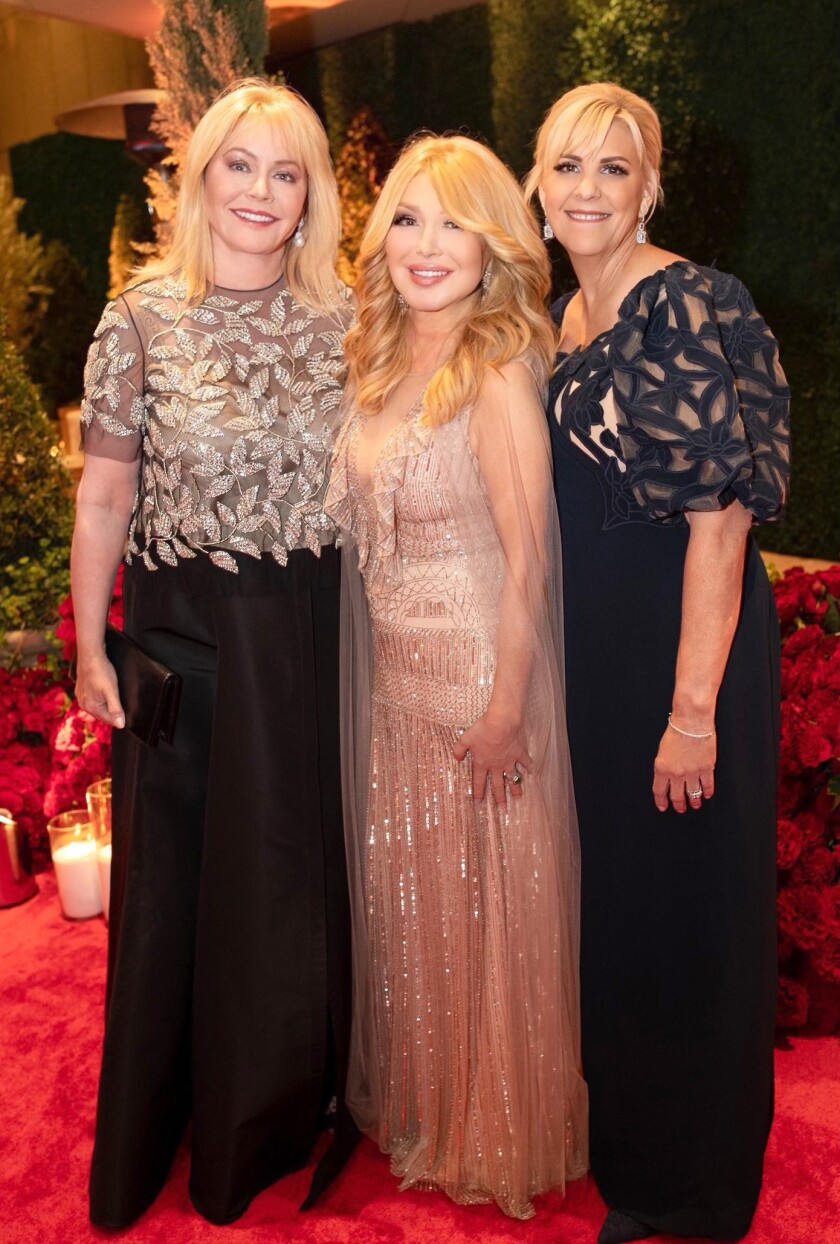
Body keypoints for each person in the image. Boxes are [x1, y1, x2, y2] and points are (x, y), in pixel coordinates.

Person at [72, 78, 356, 1228]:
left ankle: (295, 1100)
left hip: (321, 635)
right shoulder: (139, 319)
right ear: (200, 176)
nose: (260, 191)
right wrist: (89, 641)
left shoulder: (350, 317)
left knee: (297, 878)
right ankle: (182, 1116)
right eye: (241, 164)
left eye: (286, 172)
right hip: (190, 639)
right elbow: (104, 495)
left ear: (311, 196)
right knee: (186, 883)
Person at [525, 83, 790, 1244]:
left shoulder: (679, 300)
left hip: (687, 646)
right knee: (627, 903)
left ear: (648, 188)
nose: (587, 188)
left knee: (691, 906)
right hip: (602, 646)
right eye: (567, 164)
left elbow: (718, 523)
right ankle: (637, 1154)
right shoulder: (564, 317)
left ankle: (696, 1186)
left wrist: (692, 710)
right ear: (537, 186)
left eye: (614, 167)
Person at [324, 134, 588, 1220]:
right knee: (420, 901)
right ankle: (436, 1105)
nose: (427, 246)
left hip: (482, 684)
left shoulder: (496, 371)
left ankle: (497, 1125)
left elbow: (530, 563)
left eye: (455, 224)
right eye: (407, 219)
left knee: (491, 908)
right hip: (399, 688)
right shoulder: (377, 362)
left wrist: (507, 710)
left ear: (493, 249)